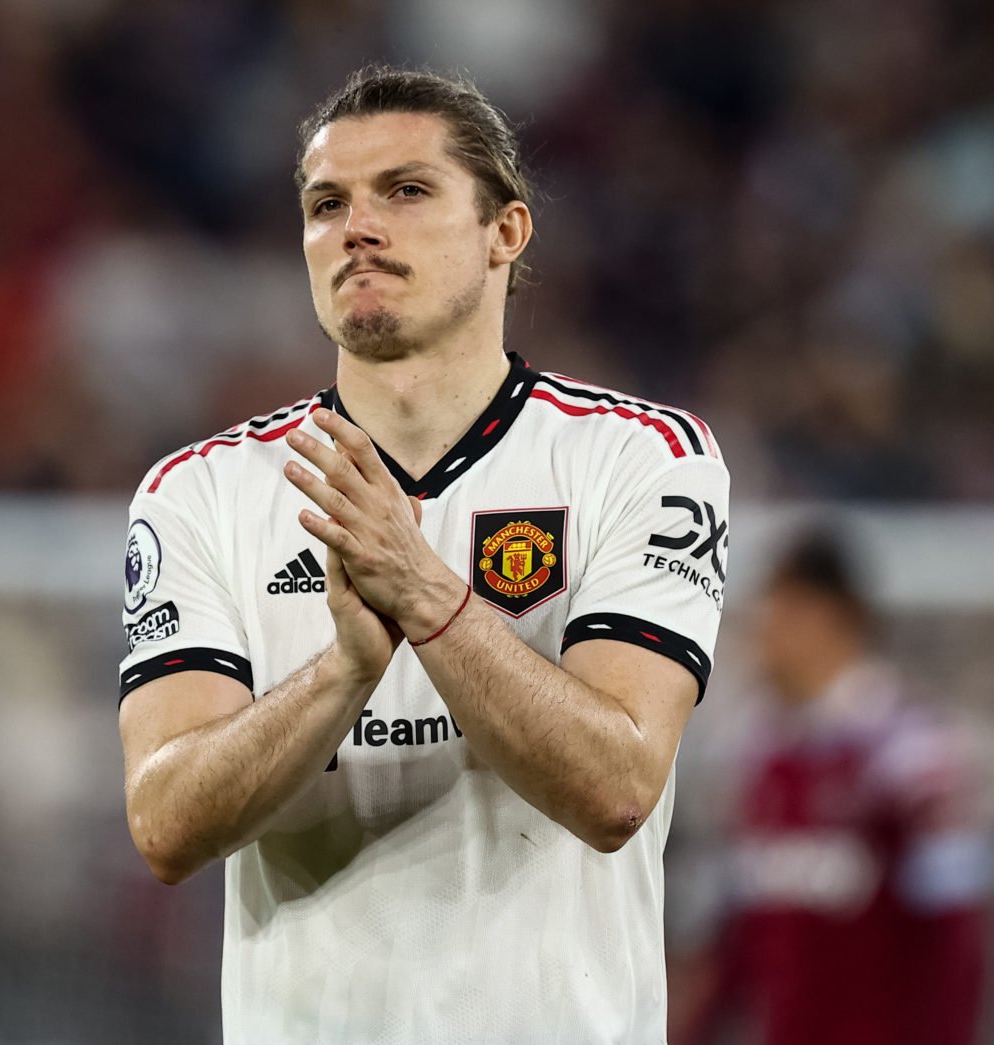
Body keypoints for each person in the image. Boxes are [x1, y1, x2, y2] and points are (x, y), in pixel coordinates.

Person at [116, 65, 732, 1042]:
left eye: (406, 190)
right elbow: (166, 825)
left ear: (506, 233)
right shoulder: (201, 491)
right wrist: (343, 672)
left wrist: (427, 596)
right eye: (327, 204)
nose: (358, 226)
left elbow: (617, 785)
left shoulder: (639, 458)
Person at [674, 535, 988, 1045]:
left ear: (838, 619)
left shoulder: (914, 754)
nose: (765, 634)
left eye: (784, 613)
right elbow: (741, 938)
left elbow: (954, 934)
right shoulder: (754, 751)